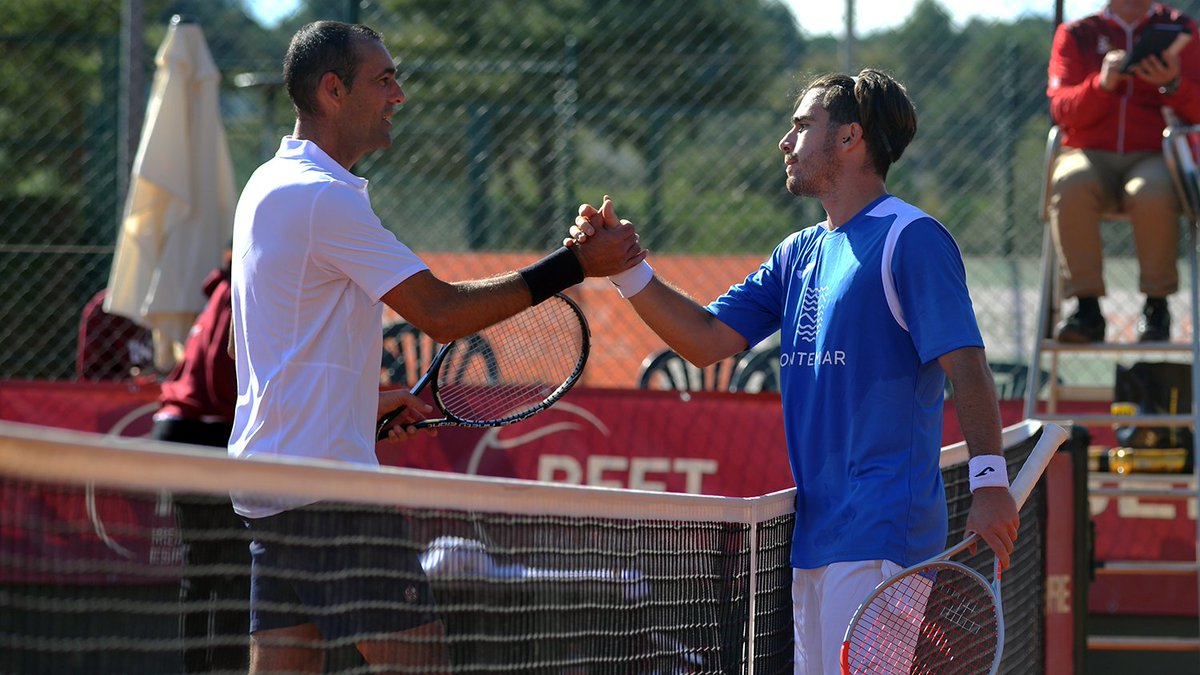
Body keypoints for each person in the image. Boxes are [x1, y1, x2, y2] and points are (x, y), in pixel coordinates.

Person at [568, 69, 1018, 674]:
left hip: (884, 534)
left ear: (850, 138)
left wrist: (991, 482)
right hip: (815, 537)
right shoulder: (799, 251)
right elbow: (704, 341)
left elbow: (967, 365)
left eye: (802, 126)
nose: (786, 141)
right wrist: (625, 269)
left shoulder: (912, 238)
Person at [227, 21, 644, 673]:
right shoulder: (321, 198)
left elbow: (278, 348)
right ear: (333, 90)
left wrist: (360, 403)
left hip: (269, 489)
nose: (399, 95)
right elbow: (443, 314)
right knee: (422, 663)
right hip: (326, 494)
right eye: (383, 79)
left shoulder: (265, 185)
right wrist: (576, 265)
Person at [1047, 0, 1200, 343]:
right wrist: (1101, 84)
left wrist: (1173, 84)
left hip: (1153, 151)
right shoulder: (1077, 33)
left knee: (1154, 191)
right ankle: (1086, 310)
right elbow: (1061, 109)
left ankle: (1156, 307)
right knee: (1069, 182)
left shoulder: (1182, 30)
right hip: (1087, 151)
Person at [150, 256, 249, 672]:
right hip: (200, 434)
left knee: (207, 566)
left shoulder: (221, 291)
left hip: (183, 431)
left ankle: (200, 667)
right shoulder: (236, 292)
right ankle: (216, 668)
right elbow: (219, 372)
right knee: (231, 566)